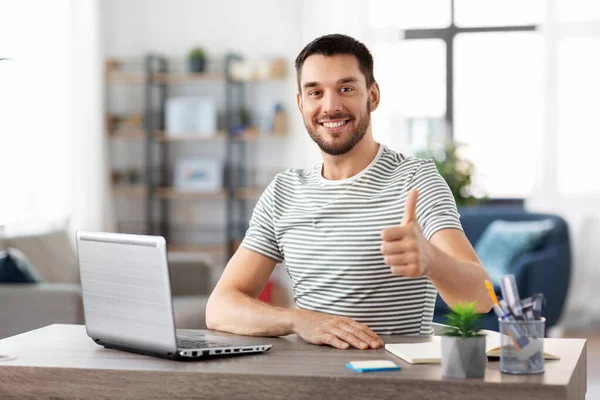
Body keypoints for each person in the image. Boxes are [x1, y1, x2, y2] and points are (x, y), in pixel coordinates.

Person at [206, 34, 492, 350]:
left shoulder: (416, 180)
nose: (330, 106)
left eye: (346, 89)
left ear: (372, 95)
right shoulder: (283, 192)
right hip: (307, 380)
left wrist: (433, 260)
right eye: (315, 92)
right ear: (301, 103)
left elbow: (482, 299)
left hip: (396, 381)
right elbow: (220, 307)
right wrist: (299, 320)